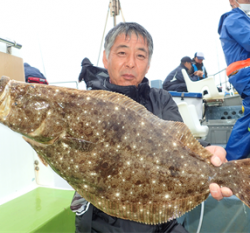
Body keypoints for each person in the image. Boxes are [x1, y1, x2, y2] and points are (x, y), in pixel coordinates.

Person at [71, 22, 233, 233]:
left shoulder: (160, 99)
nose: (131, 63)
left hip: (161, 223)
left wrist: (206, 153)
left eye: (140, 56)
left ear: (148, 65)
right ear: (105, 58)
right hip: (101, 222)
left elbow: (180, 145)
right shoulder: (85, 104)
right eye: (122, 52)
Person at [218, 0, 250, 160]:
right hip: (246, 74)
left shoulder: (244, 19)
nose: (249, 1)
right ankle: (230, 161)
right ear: (233, 1)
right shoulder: (234, 18)